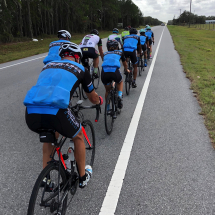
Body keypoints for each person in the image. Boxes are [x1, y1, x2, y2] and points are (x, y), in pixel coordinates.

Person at [24, 42, 103, 188]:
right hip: (56, 112)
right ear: (77, 57)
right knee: (78, 135)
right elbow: (92, 97)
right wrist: (99, 101)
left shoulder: (48, 66)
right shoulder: (81, 69)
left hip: (31, 112)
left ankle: (45, 178)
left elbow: (49, 89)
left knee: (51, 134)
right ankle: (82, 177)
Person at [101, 40, 129, 110]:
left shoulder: (105, 54)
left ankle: (107, 108)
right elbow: (125, 64)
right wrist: (126, 70)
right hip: (114, 72)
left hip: (104, 73)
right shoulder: (120, 52)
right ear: (117, 47)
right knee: (120, 81)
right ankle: (119, 95)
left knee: (107, 91)